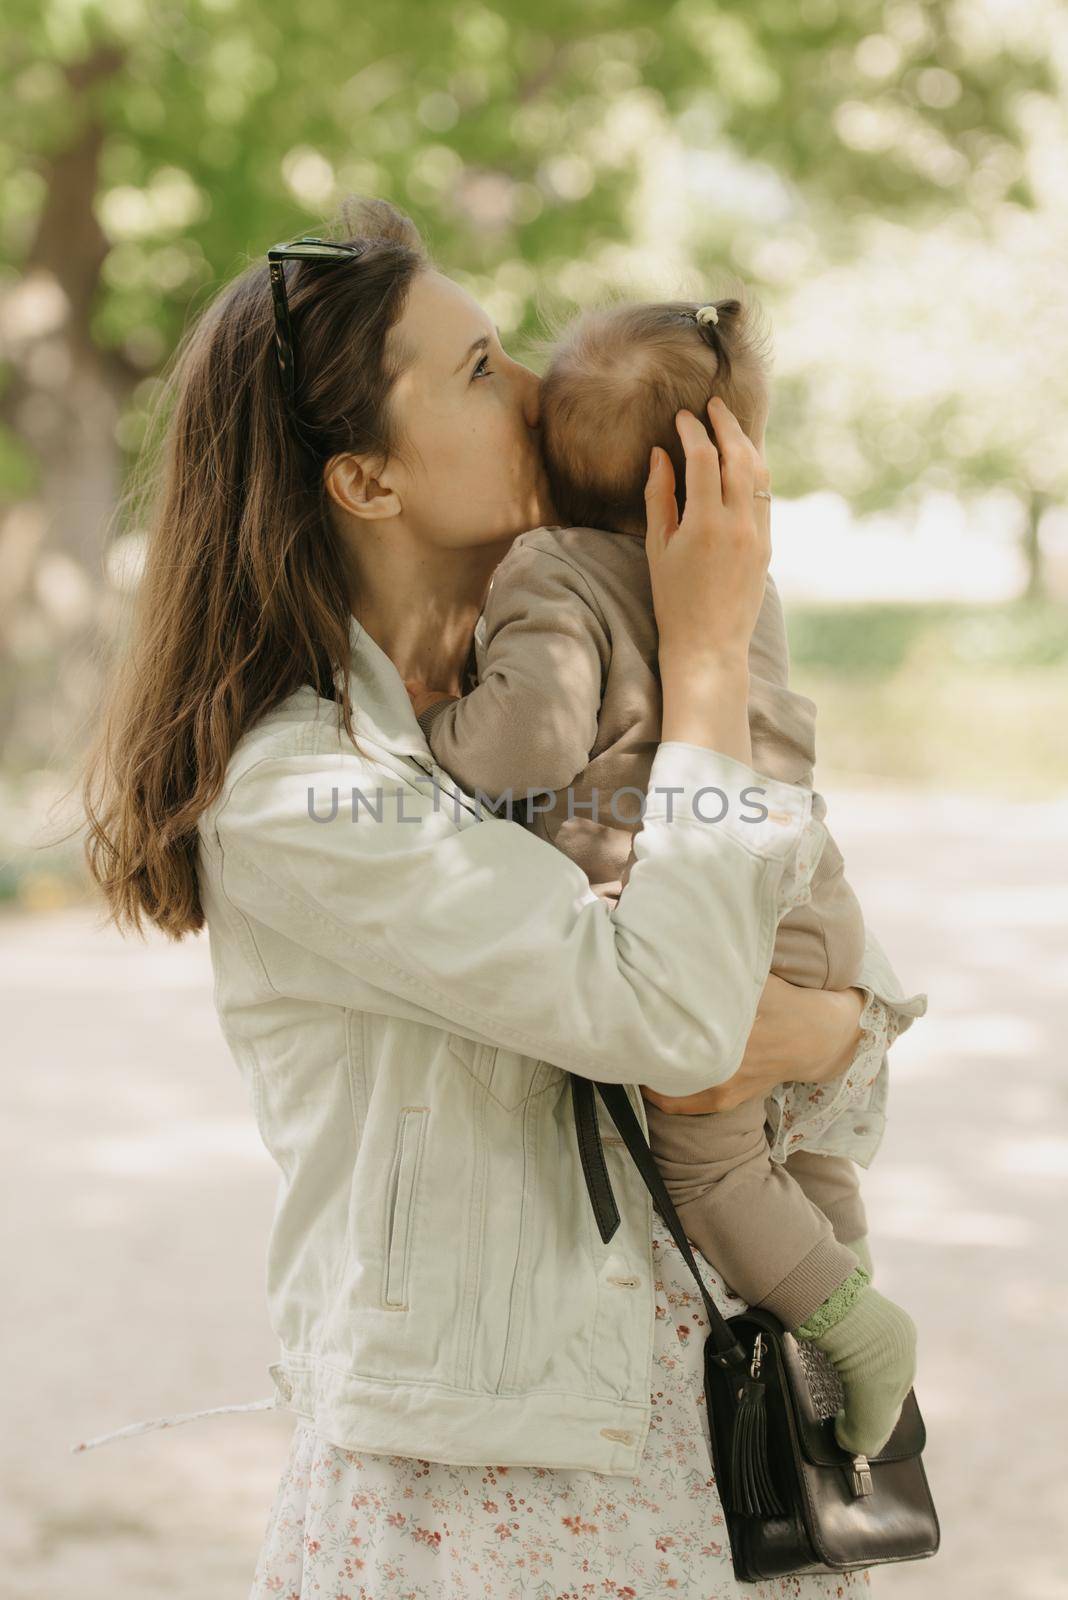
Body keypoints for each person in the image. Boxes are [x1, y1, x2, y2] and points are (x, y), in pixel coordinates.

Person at [82, 196, 925, 1597]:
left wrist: (831, 1032)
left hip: (726, 1463)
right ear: (367, 481)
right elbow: (673, 1020)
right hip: (491, 1514)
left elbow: (853, 1043)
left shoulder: (594, 686)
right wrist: (713, 659)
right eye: (479, 369)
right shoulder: (308, 791)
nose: (539, 387)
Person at [409, 294, 926, 1461]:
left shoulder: (551, 569)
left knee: (716, 1160)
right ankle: (841, 1305)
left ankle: (850, 1321)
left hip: (702, 906)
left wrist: (431, 734)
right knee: (800, 1151)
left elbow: (534, 738)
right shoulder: (741, 574)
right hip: (807, 892)